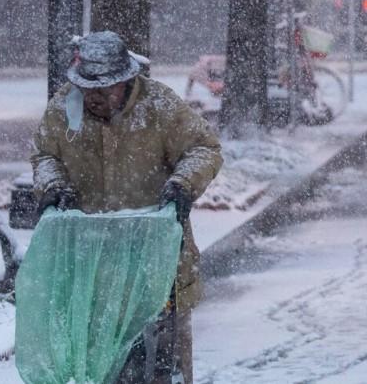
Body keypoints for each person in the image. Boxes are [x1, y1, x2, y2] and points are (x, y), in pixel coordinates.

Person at [31, 31, 223, 384]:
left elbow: (204, 148)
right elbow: (45, 154)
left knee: (163, 364)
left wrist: (181, 185)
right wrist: (54, 185)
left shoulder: (159, 106)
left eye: (106, 90)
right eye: (89, 90)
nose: (97, 99)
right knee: (98, 366)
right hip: (92, 265)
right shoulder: (64, 109)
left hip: (157, 261)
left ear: (126, 81)